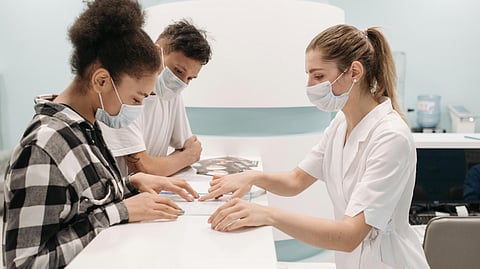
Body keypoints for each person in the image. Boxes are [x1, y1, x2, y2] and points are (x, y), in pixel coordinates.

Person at [200, 24, 430, 268]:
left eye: (318, 76)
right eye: (308, 75)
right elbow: (296, 180)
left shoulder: (390, 136)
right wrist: (253, 177)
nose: (310, 85)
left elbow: (349, 235)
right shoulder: (341, 123)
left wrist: (268, 215)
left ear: (354, 72)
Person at [2, 0, 198, 268]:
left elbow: (82, 203)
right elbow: (23, 262)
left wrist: (132, 184)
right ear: (102, 81)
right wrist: (121, 210)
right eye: (137, 98)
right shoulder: (44, 146)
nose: (138, 109)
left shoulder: (87, 128)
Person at [99, 19, 212, 177]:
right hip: (123, 196)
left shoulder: (171, 93)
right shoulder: (123, 96)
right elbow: (142, 168)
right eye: (178, 71)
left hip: (152, 193)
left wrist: (182, 157)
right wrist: (185, 157)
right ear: (156, 52)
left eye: (190, 78)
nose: (181, 83)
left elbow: (190, 146)